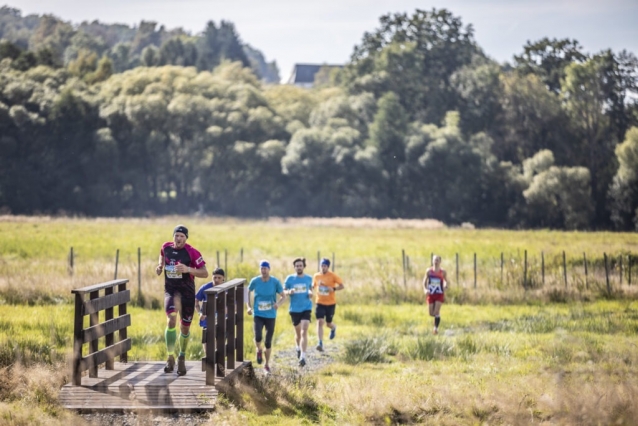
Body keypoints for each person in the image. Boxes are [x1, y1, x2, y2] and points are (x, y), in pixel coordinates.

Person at [155, 225, 208, 376]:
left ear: (186, 238)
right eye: (176, 236)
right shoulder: (166, 247)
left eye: (182, 236)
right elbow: (161, 254)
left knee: (184, 328)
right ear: (173, 237)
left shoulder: (192, 252)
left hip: (187, 294)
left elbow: (205, 273)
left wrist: (188, 269)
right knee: (171, 320)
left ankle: (182, 357)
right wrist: (160, 266)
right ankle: (170, 357)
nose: (178, 239)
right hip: (171, 292)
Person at [246, 260, 285, 374]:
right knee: (258, 337)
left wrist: (278, 304)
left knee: (268, 341)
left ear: (269, 269)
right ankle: (258, 349)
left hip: (271, 315)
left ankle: (266, 364)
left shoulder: (275, 282)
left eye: (265, 268)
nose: (263, 270)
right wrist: (248, 307)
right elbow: (247, 292)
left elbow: (283, 296)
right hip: (258, 314)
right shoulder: (255, 281)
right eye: (262, 268)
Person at [283, 257, 313, 367]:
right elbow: (283, 291)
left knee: (304, 331)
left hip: (306, 308)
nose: (299, 267)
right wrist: (288, 291)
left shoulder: (309, 278)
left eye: (300, 265)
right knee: (298, 333)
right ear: (294, 267)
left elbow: (311, 289)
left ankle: (303, 357)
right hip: (294, 309)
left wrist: (310, 292)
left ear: (303, 266)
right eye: (297, 266)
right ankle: (298, 347)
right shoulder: (290, 279)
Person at [313, 258, 344, 352]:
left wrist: (333, 289)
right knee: (319, 322)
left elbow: (342, 286)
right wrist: (310, 291)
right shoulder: (316, 276)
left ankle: (333, 328)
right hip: (319, 302)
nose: (323, 268)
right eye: (322, 266)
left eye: (325, 266)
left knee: (328, 323)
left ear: (328, 267)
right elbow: (313, 285)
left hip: (330, 303)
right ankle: (320, 343)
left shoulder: (333, 276)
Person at [195, 267, 226, 356]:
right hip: (206, 316)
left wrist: (226, 310)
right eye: (214, 277)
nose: (216, 280)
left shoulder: (226, 288)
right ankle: (208, 357)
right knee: (206, 337)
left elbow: (233, 304)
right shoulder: (205, 288)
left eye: (219, 278)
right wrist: (199, 313)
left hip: (220, 317)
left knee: (218, 337)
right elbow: (196, 300)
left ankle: (216, 356)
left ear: (223, 278)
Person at [423, 254, 448, 335]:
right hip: (431, 293)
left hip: (439, 293)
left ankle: (435, 328)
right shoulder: (429, 271)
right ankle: (436, 319)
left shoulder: (443, 272)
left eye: (437, 260)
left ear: (440, 262)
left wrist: (445, 285)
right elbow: (424, 281)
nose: (436, 261)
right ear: (432, 261)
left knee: (436, 311)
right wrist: (425, 289)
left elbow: (445, 281)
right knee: (431, 313)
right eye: (434, 260)